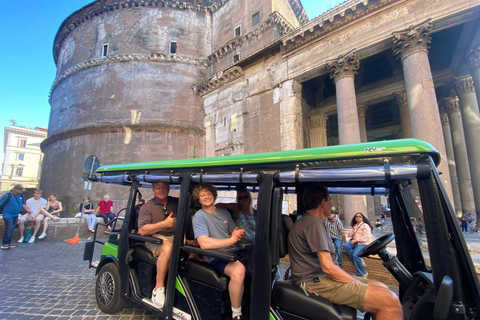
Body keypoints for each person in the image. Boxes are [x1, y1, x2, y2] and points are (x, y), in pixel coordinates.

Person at [288, 185, 402, 320]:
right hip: (313, 281)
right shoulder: (314, 224)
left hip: (319, 277)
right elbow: (328, 267)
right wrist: (353, 281)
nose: (331, 205)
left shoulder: (313, 222)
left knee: (381, 287)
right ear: (322, 203)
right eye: (330, 201)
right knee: (389, 301)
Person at [192, 183, 253, 320]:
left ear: (214, 195)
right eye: (202, 195)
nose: (206, 197)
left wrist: (238, 234)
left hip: (235, 251)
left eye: (208, 193)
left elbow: (233, 233)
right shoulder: (199, 216)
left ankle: (255, 302)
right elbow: (204, 243)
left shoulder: (224, 213)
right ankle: (236, 313)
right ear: (198, 199)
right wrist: (231, 240)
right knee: (239, 271)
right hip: (217, 255)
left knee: (260, 258)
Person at [138, 181, 178, 309]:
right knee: (168, 247)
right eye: (158, 188)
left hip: (174, 236)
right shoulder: (147, 207)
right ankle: (158, 288)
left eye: (164, 188)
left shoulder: (175, 202)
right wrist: (164, 224)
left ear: (169, 189)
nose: (161, 190)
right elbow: (143, 230)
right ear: (153, 190)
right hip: (155, 238)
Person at [1, 185, 31, 249]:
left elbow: (23, 204)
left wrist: (28, 210)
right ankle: (5, 243)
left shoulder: (21, 196)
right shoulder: (8, 195)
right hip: (7, 214)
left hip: (15, 215)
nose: (22, 191)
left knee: (12, 228)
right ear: (15, 189)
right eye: (21, 189)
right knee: (9, 228)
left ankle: (8, 242)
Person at [344, 212, 373, 278]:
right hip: (355, 241)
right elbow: (353, 234)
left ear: (362, 218)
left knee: (355, 255)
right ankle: (359, 261)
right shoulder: (355, 225)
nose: (358, 217)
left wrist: (357, 240)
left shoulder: (365, 225)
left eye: (360, 216)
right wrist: (350, 233)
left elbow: (367, 237)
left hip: (363, 243)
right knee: (346, 246)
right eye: (356, 216)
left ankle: (363, 272)